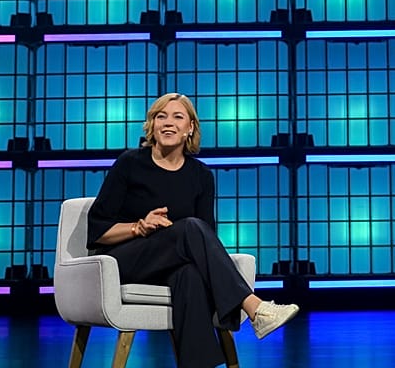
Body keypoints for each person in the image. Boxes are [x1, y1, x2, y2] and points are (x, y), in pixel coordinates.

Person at [87, 92, 299, 368]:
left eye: (177, 117)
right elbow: (97, 230)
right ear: (151, 126)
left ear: (190, 129)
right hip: (124, 261)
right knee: (188, 228)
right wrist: (140, 227)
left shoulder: (200, 176)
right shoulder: (130, 163)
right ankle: (254, 307)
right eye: (160, 116)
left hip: (172, 264)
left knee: (189, 275)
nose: (167, 123)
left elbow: (206, 237)